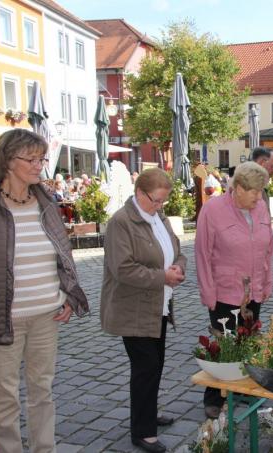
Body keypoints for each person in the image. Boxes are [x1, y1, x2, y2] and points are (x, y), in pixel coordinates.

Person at [0, 128, 89, 453]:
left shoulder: (46, 202)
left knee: (42, 391)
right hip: (2, 319)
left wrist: (66, 293)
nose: (39, 165)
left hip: (46, 316)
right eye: (31, 159)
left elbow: (62, 253)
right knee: (4, 397)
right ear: (8, 161)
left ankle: (43, 449)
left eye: (41, 158)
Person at [100, 169, 186, 453]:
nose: (161, 206)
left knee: (155, 365)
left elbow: (177, 250)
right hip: (132, 309)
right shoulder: (121, 223)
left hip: (157, 307)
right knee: (146, 367)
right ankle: (143, 432)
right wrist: (164, 277)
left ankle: (147, 413)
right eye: (156, 200)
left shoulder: (158, 218)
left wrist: (179, 267)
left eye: (163, 201)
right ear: (140, 194)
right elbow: (123, 269)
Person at [195, 162, 273, 419]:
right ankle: (214, 397)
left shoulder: (261, 208)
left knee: (248, 343)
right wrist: (207, 291)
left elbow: (268, 248)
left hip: (253, 292)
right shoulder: (213, 210)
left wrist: (267, 281)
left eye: (261, 191)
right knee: (223, 348)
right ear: (238, 188)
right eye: (253, 191)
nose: (258, 197)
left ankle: (245, 391)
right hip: (224, 292)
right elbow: (202, 254)